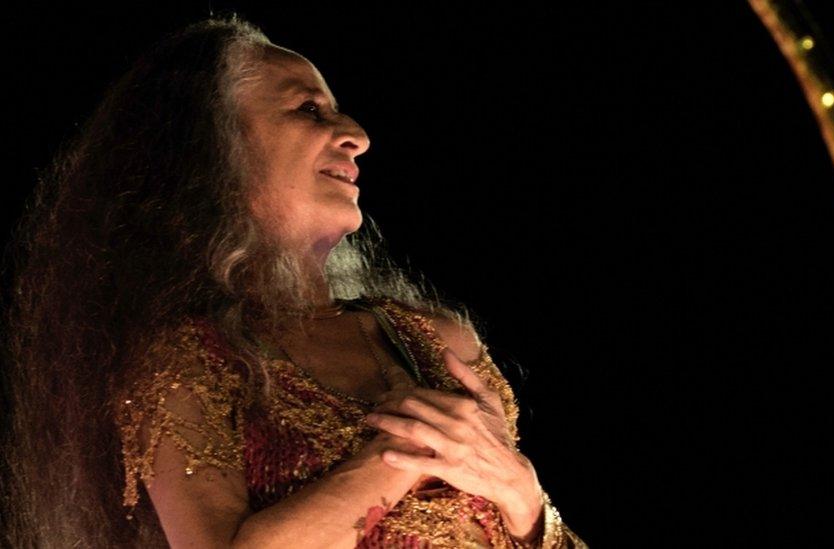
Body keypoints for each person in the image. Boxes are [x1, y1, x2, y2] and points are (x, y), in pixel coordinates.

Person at [0, 13, 587, 548]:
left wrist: (524, 495)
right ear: (214, 152)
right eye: (310, 109)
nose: (356, 134)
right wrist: (401, 455)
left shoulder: (439, 343)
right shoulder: (188, 358)